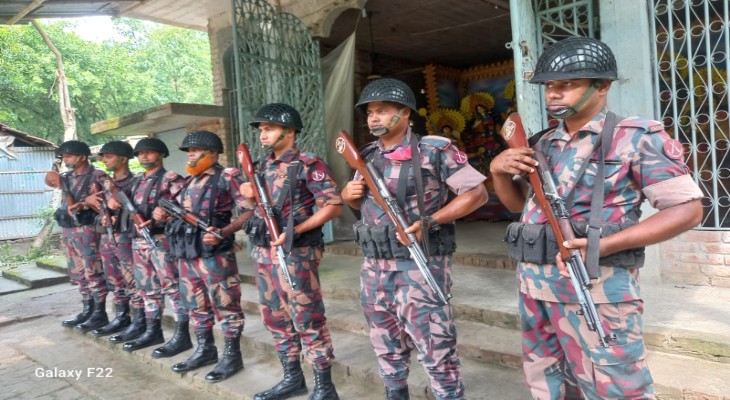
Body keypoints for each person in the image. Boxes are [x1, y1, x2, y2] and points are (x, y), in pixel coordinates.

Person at [489, 37, 703, 399]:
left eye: (567, 85)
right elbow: (519, 207)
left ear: (602, 86)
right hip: (535, 289)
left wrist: (606, 244)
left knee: (618, 389)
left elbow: (688, 209)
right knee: (548, 385)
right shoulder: (541, 143)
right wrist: (497, 172)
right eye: (548, 87)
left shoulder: (635, 137)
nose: (553, 94)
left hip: (598, 291)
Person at [341, 78, 488, 400]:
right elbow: (361, 204)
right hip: (374, 266)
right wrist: (348, 195)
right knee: (385, 342)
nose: (373, 118)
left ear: (405, 113)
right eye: (369, 113)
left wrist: (432, 220)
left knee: (435, 344)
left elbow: (476, 193)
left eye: (382, 111)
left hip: (420, 265)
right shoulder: (364, 156)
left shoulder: (434, 150)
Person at [242, 103, 343, 400]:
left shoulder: (308, 164)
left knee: (307, 318)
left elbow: (333, 205)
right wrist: (247, 196)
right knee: (275, 317)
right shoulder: (259, 167)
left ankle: (324, 387)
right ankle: (292, 379)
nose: (263, 135)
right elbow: (252, 210)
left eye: (269, 129)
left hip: (296, 254)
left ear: (289, 131)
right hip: (263, 253)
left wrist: (296, 230)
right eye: (261, 130)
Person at [156, 130, 248, 383]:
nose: (191, 155)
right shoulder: (188, 182)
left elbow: (251, 210)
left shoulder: (227, 177)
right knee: (195, 306)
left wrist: (225, 231)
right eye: (189, 152)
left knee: (227, 306)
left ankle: (232, 356)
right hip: (187, 254)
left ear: (212, 153)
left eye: (196, 151)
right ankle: (205, 349)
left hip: (215, 255)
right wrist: (163, 215)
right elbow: (178, 212)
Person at [109, 138, 190, 361]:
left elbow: (187, 207)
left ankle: (182, 334)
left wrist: (165, 213)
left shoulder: (170, 179)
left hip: (162, 241)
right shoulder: (135, 182)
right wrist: (113, 202)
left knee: (173, 288)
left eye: (150, 152)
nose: (144, 156)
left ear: (161, 154)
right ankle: (153, 331)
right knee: (148, 289)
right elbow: (118, 199)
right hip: (138, 242)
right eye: (140, 153)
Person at [84, 141, 144, 337]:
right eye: (103, 157)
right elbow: (94, 208)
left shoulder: (136, 182)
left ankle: (139, 322)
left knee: (132, 281)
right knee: (114, 281)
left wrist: (120, 209)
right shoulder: (104, 184)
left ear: (124, 158)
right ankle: (121, 317)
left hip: (126, 238)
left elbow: (141, 211)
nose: (104, 160)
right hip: (107, 238)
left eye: (109, 156)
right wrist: (101, 212)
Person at [49, 140, 109, 330]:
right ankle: (87, 310)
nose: (65, 159)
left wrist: (86, 201)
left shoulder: (98, 176)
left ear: (82, 156)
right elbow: (51, 181)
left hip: (88, 230)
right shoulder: (66, 178)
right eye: (64, 156)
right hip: (69, 230)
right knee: (78, 273)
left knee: (93, 271)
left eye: (69, 156)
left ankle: (100, 313)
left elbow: (111, 199)